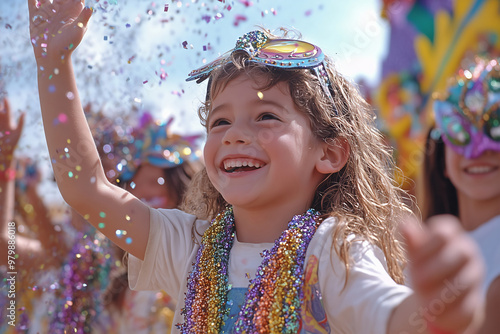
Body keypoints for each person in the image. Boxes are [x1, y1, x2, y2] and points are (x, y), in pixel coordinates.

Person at [28, 1, 484, 333]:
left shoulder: (333, 250)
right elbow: (85, 187)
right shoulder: (188, 246)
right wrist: (52, 62)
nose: (234, 134)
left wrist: (439, 305)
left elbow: (394, 316)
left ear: (330, 153)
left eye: (266, 116)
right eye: (219, 120)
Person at [91, 110, 201, 333]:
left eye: (154, 181)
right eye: (133, 185)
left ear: (182, 190)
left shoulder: (202, 259)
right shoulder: (122, 280)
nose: (141, 193)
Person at [420, 55, 500, 333]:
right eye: (460, 130)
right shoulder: (419, 256)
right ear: (442, 159)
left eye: (496, 129)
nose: (480, 150)